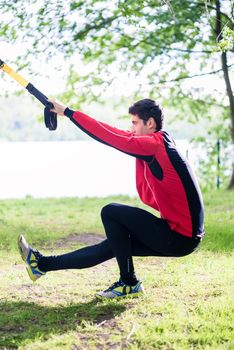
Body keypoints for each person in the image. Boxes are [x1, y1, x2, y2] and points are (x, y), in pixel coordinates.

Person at [18, 98, 204, 299]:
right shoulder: (159, 143)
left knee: (111, 211)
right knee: (111, 246)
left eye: (134, 123)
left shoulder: (155, 145)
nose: (130, 128)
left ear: (150, 123)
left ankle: (128, 282)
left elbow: (109, 137)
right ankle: (42, 264)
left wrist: (69, 112)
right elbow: (116, 135)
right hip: (181, 236)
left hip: (179, 237)